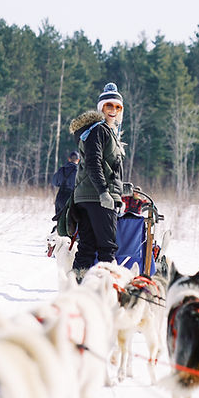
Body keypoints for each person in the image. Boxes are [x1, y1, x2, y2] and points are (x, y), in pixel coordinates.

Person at [68, 82, 125, 278]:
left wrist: (121, 188)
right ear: (101, 107)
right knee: (107, 248)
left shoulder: (101, 131)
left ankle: (78, 285)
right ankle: (105, 288)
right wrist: (103, 192)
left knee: (87, 247)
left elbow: (108, 168)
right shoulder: (99, 130)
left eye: (117, 107)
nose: (113, 110)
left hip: (87, 196)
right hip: (97, 198)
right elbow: (93, 163)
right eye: (109, 105)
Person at [50, 150, 80, 223]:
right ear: (78, 160)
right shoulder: (79, 171)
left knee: (60, 222)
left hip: (59, 198)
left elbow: (54, 182)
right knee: (72, 223)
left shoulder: (61, 169)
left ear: (69, 159)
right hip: (71, 199)